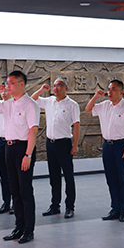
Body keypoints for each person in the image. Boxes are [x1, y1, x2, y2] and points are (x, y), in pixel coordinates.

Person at [0, 71, 39, 244]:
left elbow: (33, 131)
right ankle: (19, 227)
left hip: (23, 148)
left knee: (25, 191)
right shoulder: (7, 104)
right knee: (14, 190)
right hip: (9, 148)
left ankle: (29, 230)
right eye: (6, 83)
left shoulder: (30, 105)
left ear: (21, 84)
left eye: (11, 83)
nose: (7, 86)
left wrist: (28, 155)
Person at [86, 79, 124, 222]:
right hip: (107, 146)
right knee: (111, 179)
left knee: (122, 179)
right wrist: (96, 96)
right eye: (109, 89)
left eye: (113, 89)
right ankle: (115, 209)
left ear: (121, 92)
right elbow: (88, 109)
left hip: (121, 146)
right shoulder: (104, 105)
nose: (110, 92)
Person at [31, 78, 81, 219]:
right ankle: (55, 205)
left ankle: (70, 207)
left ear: (66, 88)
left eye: (59, 85)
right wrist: (42, 90)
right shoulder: (49, 101)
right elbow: (32, 100)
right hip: (50, 144)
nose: (56, 88)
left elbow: (77, 126)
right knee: (54, 176)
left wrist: (75, 145)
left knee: (68, 176)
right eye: (54, 86)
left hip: (64, 144)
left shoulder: (72, 105)